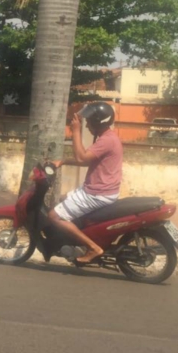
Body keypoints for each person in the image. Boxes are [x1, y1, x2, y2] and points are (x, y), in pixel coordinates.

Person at [50, 101, 123, 265]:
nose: (87, 125)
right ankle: (76, 241)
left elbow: (81, 158)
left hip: (97, 193)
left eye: (89, 121)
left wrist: (75, 130)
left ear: (98, 122)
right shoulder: (107, 137)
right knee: (62, 199)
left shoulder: (106, 141)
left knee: (54, 216)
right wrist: (63, 161)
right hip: (98, 190)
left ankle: (93, 248)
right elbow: (87, 160)